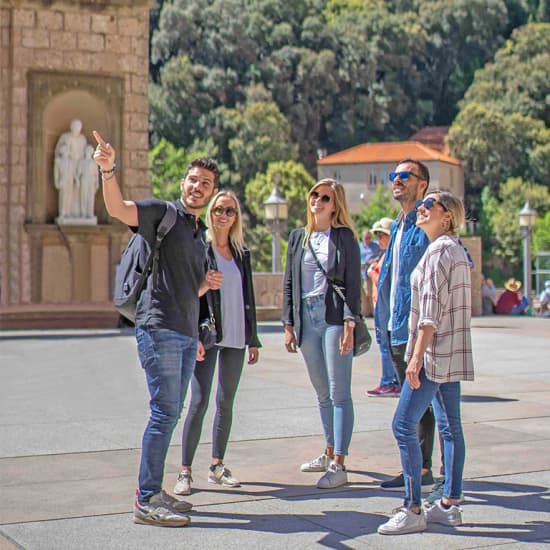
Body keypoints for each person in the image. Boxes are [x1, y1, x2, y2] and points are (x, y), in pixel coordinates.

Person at [93, 130, 222, 527]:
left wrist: (198, 329)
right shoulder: (162, 214)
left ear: (212, 191)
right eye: (193, 180)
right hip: (158, 327)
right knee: (164, 411)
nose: (198, 187)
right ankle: (146, 498)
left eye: (207, 183)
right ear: (183, 182)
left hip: (183, 333)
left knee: (171, 410)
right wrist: (108, 170)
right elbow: (118, 208)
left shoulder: (199, 235)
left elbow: (187, 289)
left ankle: (154, 487)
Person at [378, 190, 474, 535]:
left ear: (447, 215)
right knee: (451, 428)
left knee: (403, 425)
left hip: (434, 354)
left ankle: (413, 507)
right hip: (452, 352)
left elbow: (430, 315)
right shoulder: (458, 251)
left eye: (429, 204)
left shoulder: (437, 252)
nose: (421, 208)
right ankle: (449, 504)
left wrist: (416, 358)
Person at [174, 191, 261, 495]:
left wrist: (254, 338)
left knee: (226, 402)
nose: (223, 215)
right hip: (208, 336)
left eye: (230, 211)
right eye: (219, 210)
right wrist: (195, 333)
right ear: (210, 213)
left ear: (236, 217)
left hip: (237, 335)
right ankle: (184, 471)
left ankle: (217, 466)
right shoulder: (201, 250)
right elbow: (189, 293)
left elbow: (247, 297)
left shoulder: (241, 253)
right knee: (198, 402)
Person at [283, 178, 361, 489]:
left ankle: (340, 464)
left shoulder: (343, 237)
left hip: (333, 318)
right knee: (321, 392)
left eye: (325, 198)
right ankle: (328, 452)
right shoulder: (298, 237)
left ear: (335, 204)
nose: (317, 201)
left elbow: (354, 284)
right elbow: (289, 282)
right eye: (314, 195)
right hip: (306, 317)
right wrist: (288, 324)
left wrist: (350, 322)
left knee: (339, 392)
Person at [373, 159, 435, 492]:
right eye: (392, 175)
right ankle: (421, 468)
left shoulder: (427, 222)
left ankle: (423, 472)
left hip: (417, 329)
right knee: (417, 404)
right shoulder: (398, 225)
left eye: (403, 176)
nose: (395, 180)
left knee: (420, 405)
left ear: (421, 183)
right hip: (394, 328)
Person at [366, 218, 400, 397]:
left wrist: (372, 273)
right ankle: (391, 380)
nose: (379, 239)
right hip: (381, 304)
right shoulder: (385, 254)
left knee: (386, 345)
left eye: (382, 235)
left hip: (386, 305)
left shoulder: (390, 255)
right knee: (385, 344)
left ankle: (389, 382)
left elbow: (385, 283)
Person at [359, 229, 381, 316]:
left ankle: (373, 311)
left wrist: (374, 260)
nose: (368, 239)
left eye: (369, 238)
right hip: (362, 271)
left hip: (372, 271)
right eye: (366, 238)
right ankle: (366, 311)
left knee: (371, 292)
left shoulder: (375, 245)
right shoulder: (359, 246)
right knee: (364, 293)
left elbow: (380, 255)